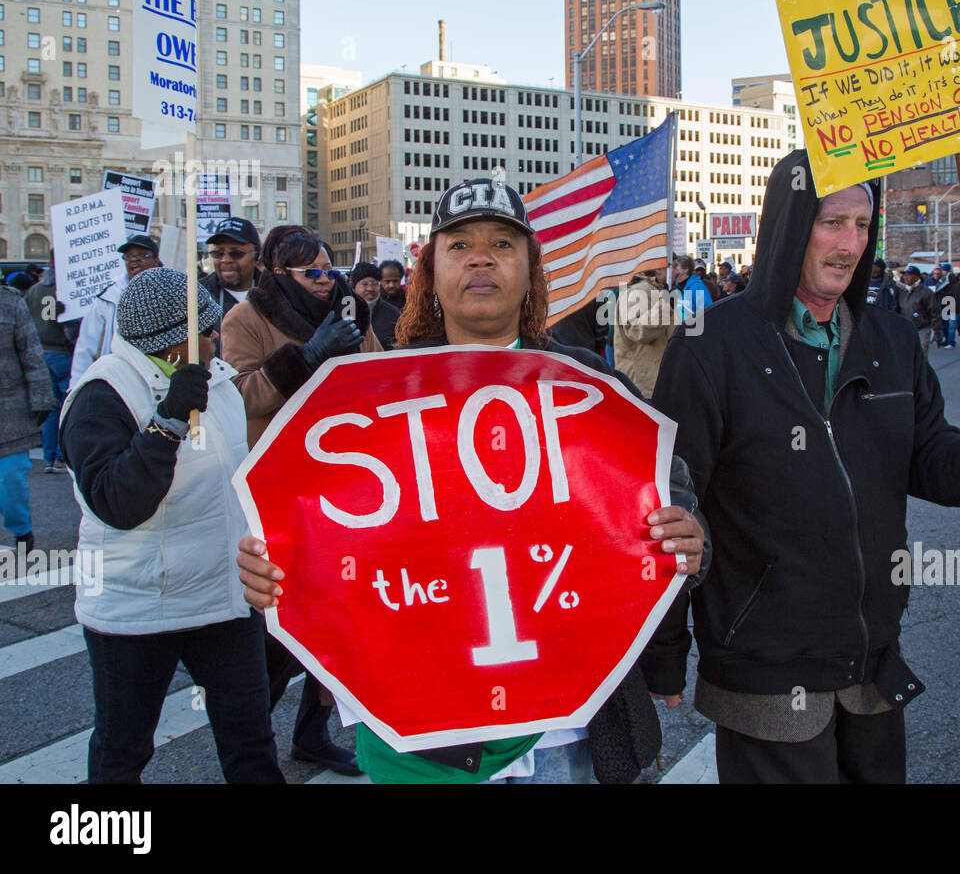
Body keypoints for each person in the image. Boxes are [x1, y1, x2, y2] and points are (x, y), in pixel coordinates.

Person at [237, 178, 707, 784]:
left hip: (571, 735)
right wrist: (272, 565)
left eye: (502, 245)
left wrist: (692, 536)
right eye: (459, 245)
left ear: (532, 269)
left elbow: (676, 500)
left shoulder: (590, 386)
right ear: (430, 271)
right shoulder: (372, 393)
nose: (481, 258)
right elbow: (322, 536)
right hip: (429, 740)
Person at [647, 149, 960, 784]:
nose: (849, 243)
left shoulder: (890, 339)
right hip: (766, 672)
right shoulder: (709, 345)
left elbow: (930, 464)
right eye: (831, 222)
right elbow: (670, 504)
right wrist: (664, 654)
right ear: (787, 226)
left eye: (862, 223)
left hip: (871, 667)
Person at [58, 268, 283, 784]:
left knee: (250, 740)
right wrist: (168, 422)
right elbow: (117, 502)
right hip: (138, 607)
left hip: (225, 598)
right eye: (205, 331)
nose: (215, 339)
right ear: (175, 340)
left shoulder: (217, 379)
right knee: (123, 747)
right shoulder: (101, 394)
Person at [221, 225, 382, 777]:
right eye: (310, 271)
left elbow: (378, 377)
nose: (324, 280)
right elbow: (237, 399)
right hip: (282, 486)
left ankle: (311, 734)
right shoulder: (245, 319)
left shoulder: (347, 310)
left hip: (348, 481)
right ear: (277, 273)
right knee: (280, 625)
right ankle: (250, 741)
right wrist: (307, 357)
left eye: (328, 268)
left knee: (335, 620)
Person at [69, 235, 162, 390]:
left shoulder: (171, 291)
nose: (134, 260)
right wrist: (76, 387)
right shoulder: (107, 299)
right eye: (129, 256)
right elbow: (86, 347)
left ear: (156, 260)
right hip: (117, 383)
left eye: (142, 255)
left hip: (157, 382)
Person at [1, 280, 54, 551]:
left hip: (10, 412)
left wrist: (43, 397)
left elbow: (32, 353)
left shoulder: (11, 303)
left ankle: (21, 529)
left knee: (10, 480)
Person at [25, 260, 75, 473]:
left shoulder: (35, 290)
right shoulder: (67, 288)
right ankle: (62, 456)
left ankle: (48, 458)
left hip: (41, 352)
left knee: (51, 408)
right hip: (62, 352)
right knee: (67, 407)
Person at [612, 268, 675, 396]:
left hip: (654, 380)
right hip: (644, 384)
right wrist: (665, 306)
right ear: (659, 270)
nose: (676, 271)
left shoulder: (653, 289)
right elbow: (637, 331)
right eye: (673, 266)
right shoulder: (637, 291)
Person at [201, 216, 262, 318]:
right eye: (218, 253)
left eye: (236, 253)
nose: (226, 260)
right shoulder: (197, 296)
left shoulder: (277, 293)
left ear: (256, 255)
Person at [349, 262, 401, 350]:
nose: (370, 289)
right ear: (355, 286)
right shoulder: (346, 312)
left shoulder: (393, 313)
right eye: (364, 284)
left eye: (374, 284)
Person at [896, 264, 939, 354]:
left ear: (916, 277)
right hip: (905, 329)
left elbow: (934, 312)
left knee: (921, 357)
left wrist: (936, 331)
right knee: (907, 356)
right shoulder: (902, 291)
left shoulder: (926, 292)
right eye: (904, 275)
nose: (905, 277)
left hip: (922, 329)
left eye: (909, 275)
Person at [670, 255, 712, 321]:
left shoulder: (697, 287)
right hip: (681, 329)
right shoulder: (676, 289)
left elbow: (707, 311)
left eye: (676, 266)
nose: (673, 269)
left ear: (686, 269)